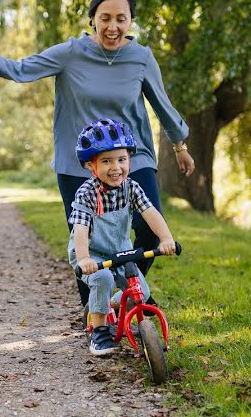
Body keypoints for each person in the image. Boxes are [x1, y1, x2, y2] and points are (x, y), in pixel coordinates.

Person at [0, 0, 194, 308]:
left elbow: (162, 105)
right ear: (92, 18)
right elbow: (23, 68)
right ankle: (93, 311)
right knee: (86, 240)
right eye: (105, 17)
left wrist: (179, 146)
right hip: (80, 164)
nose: (113, 27)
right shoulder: (71, 53)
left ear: (130, 21)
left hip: (132, 158)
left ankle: (124, 295)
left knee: (152, 232)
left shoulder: (141, 57)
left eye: (121, 19)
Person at [69, 119, 177, 355]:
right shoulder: (87, 193)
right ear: (91, 165)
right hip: (91, 252)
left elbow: (150, 212)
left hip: (121, 249)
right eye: (106, 161)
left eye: (121, 159)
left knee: (143, 292)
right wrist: (85, 258)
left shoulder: (131, 187)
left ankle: (113, 306)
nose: (115, 167)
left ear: (129, 158)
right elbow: (79, 229)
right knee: (102, 280)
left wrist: (166, 238)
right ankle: (99, 332)